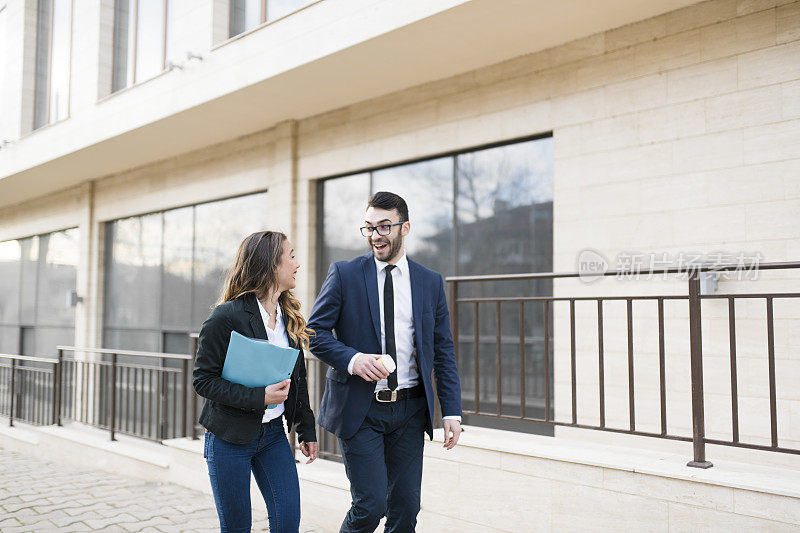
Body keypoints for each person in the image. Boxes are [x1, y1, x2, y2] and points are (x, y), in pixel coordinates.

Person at [308, 191, 463, 532]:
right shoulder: (344, 274)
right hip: (361, 409)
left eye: (384, 226)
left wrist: (451, 411)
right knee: (371, 505)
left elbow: (443, 349)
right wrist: (353, 359)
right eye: (369, 227)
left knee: (406, 510)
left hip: (409, 409)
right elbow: (313, 333)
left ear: (405, 228)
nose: (376, 235)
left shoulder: (430, 282)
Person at [193, 231, 318, 533]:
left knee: (287, 523)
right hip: (228, 437)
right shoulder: (226, 317)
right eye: (291, 257)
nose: (297, 264)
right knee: (237, 528)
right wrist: (259, 397)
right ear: (271, 265)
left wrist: (306, 428)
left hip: (274, 436)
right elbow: (203, 380)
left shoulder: (288, 317)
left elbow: (297, 378)